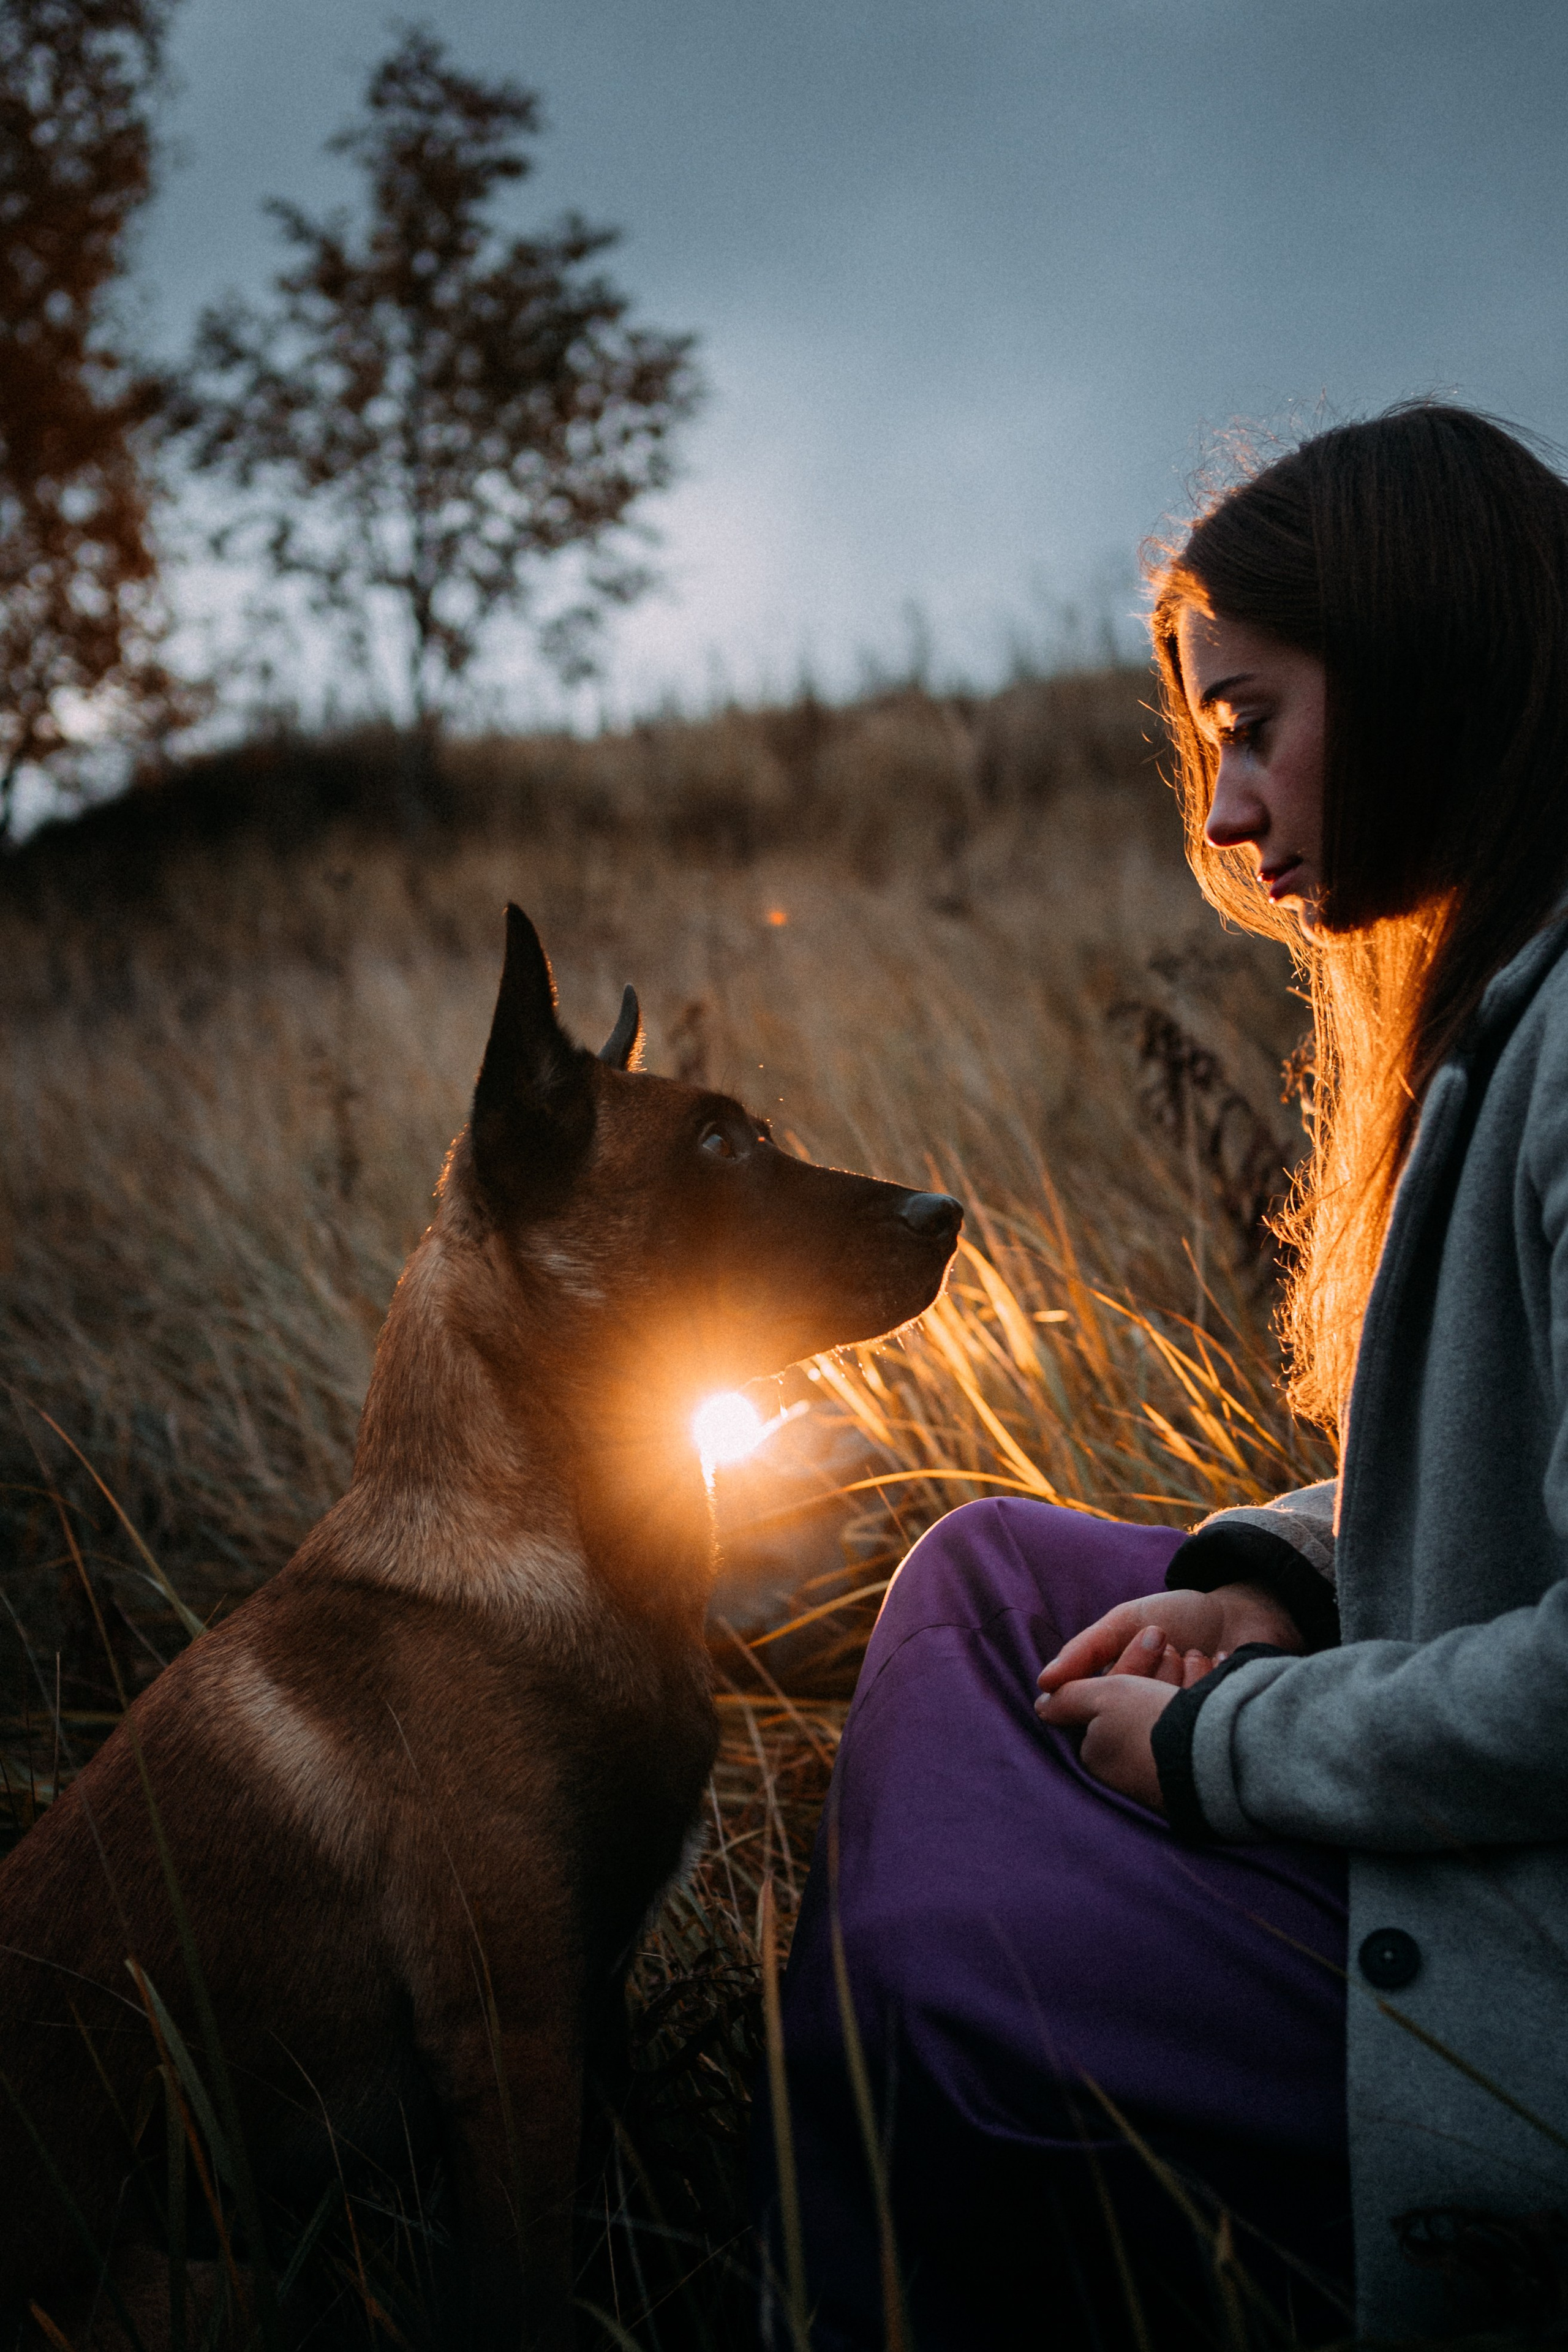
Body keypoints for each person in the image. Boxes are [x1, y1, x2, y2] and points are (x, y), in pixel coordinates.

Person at [758, 405, 1568, 2348]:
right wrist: (1272, 1582)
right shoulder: (1518, 993)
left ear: (1429, 673)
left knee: (945, 1981)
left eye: (1254, 723)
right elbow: (1499, 1493)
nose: (1220, 813)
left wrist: (1225, 1752)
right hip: (1458, 1789)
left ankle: (905, 2138)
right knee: (990, 1570)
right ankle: (889, 2110)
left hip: (1508, 1992)